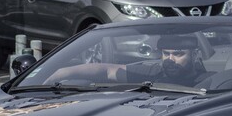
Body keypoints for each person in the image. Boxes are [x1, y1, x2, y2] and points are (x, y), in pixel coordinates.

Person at [45, 35, 208, 86]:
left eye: (178, 54)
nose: (170, 60)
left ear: (195, 55)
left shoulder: (210, 81)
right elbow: (107, 70)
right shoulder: (154, 72)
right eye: (166, 54)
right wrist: (60, 73)